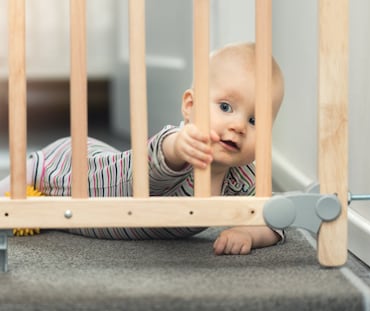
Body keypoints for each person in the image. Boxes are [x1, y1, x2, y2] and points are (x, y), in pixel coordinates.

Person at [0, 42, 285, 255]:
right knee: (25, 177)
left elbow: (274, 218)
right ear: (190, 106)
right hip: (74, 166)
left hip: (101, 180)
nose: (238, 126)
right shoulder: (180, 144)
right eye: (225, 107)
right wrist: (179, 145)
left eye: (254, 120)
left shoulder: (244, 177)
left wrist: (249, 233)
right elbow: (158, 160)